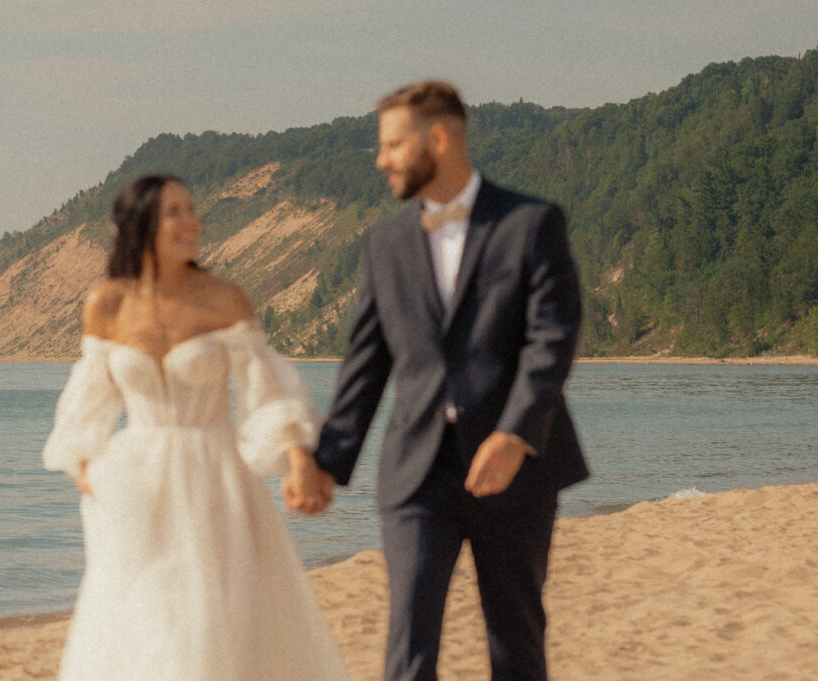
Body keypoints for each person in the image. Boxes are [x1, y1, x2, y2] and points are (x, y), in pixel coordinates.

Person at [300, 81, 589, 681]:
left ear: (439, 137)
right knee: (408, 650)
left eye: (392, 144)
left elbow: (552, 340)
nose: (381, 160)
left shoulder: (532, 224)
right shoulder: (384, 243)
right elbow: (365, 363)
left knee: (516, 643)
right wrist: (327, 461)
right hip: (416, 473)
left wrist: (515, 435)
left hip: (517, 468)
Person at [42, 174, 346, 681]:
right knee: (143, 619)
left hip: (215, 478)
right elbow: (88, 400)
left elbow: (267, 392)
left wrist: (298, 461)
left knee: (222, 620)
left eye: (191, 208)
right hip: (132, 486)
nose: (191, 222)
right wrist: (84, 465)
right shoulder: (105, 304)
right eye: (175, 212)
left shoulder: (223, 299)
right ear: (142, 225)